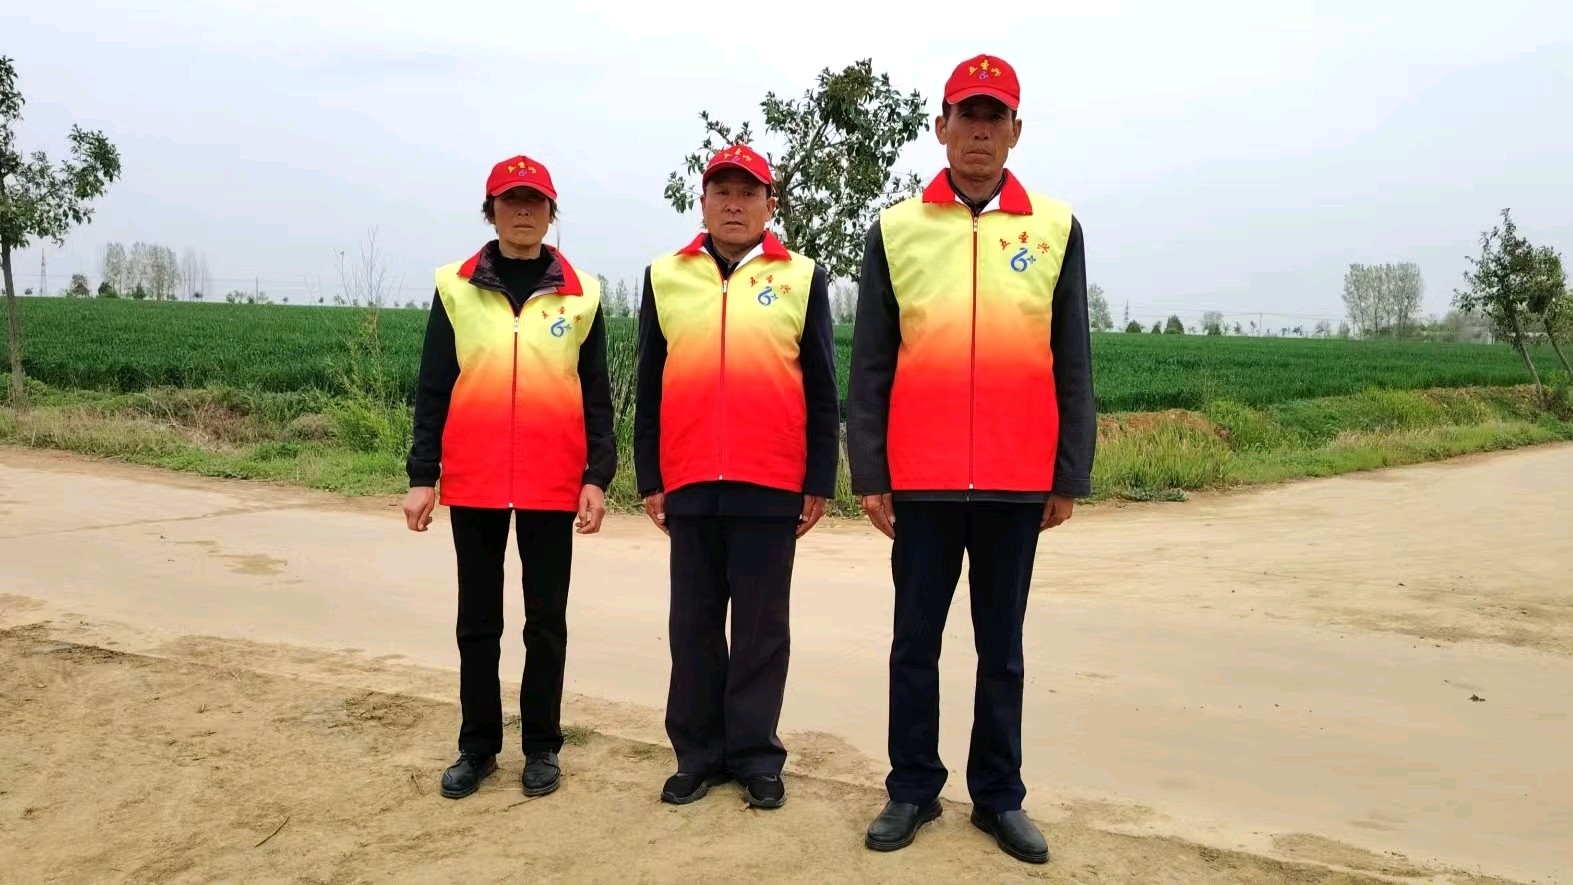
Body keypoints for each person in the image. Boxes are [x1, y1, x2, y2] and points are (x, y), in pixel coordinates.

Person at [846, 53, 1096, 865]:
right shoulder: (895, 228)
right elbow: (871, 361)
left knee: (1002, 648)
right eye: (967, 115)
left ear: (1015, 131)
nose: (979, 131)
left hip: (1016, 476)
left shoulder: (1054, 228)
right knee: (913, 642)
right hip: (919, 478)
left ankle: (998, 795)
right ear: (941, 127)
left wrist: (1068, 470)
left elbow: (1072, 356)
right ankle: (912, 786)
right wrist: (869, 470)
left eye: (994, 117)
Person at [403, 154, 616, 801]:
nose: (523, 212)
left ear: (551, 213)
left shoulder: (582, 293)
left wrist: (597, 474)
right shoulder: (454, 288)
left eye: (535, 201)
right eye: (510, 200)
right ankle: (477, 746)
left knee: (545, 621)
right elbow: (433, 387)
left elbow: (597, 395)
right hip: (475, 477)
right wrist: (422, 474)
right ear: (490, 211)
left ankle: (542, 746)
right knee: (478, 621)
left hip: (554, 479)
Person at [633, 143, 839, 810]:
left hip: (770, 481)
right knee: (692, 627)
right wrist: (650, 474)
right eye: (721, 190)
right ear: (702, 200)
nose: (733, 203)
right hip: (689, 478)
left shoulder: (801, 276)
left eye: (748, 192)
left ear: (769, 204)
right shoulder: (664, 276)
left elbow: (822, 386)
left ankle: (755, 755)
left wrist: (818, 477)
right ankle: (697, 755)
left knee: (759, 631)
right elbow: (649, 382)